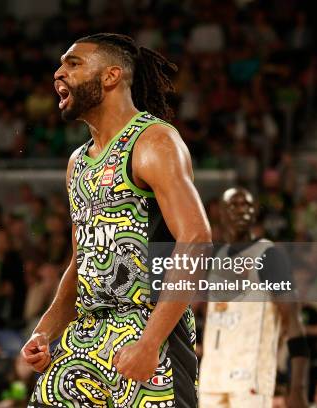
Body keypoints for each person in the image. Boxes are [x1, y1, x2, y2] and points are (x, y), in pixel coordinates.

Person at [21, 33, 211, 407]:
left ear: (110, 76)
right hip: (86, 334)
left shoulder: (154, 141)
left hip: (147, 327)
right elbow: (81, 261)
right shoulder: (77, 162)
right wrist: (45, 331)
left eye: (72, 64)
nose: (59, 73)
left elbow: (197, 238)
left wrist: (151, 342)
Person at [198, 188, 309, 408]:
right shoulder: (215, 257)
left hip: (250, 376)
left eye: (247, 205)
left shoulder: (269, 256)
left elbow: (294, 325)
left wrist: (297, 388)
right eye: (234, 205)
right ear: (219, 212)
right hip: (212, 377)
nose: (242, 211)